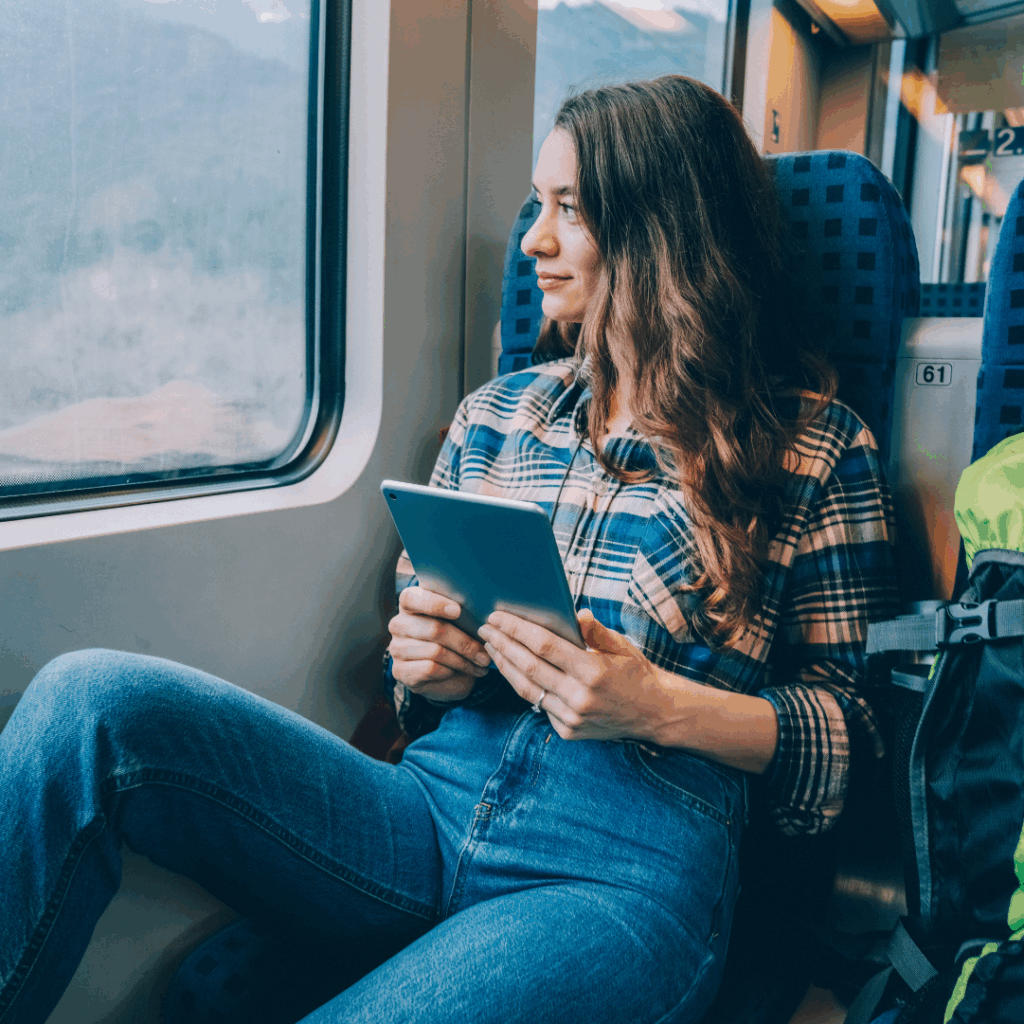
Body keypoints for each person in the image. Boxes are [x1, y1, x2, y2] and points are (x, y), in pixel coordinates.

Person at [0, 76, 896, 1024]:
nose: (531, 242)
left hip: (619, 872)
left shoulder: (815, 448)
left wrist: (658, 706)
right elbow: (416, 685)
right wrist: (423, 666)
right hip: (423, 808)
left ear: (661, 228)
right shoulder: (497, 415)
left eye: (568, 210)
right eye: (534, 207)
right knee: (89, 702)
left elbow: (853, 743)